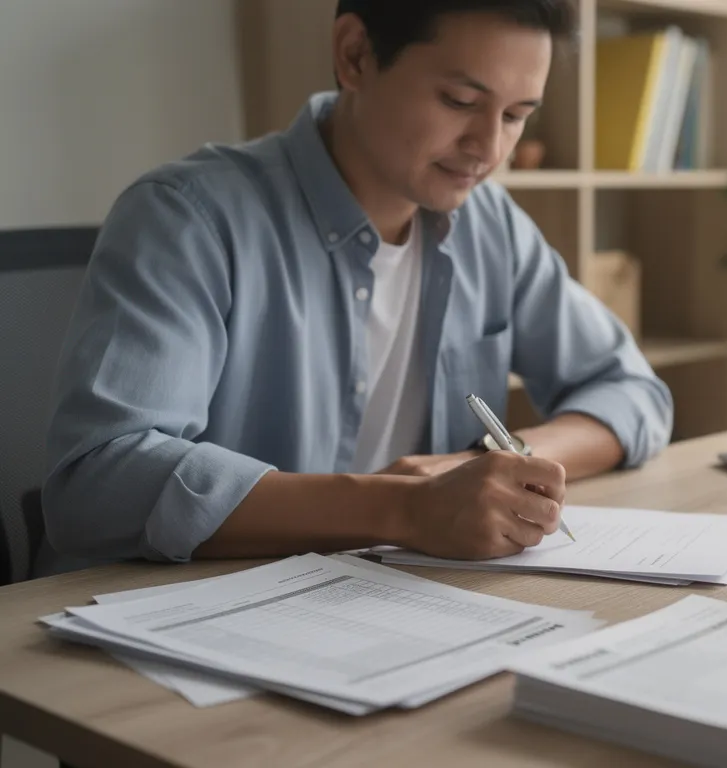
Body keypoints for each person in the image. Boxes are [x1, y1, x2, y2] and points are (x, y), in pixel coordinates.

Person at [35, 0, 672, 577]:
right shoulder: (188, 218)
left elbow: (634, 392)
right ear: (355, 56)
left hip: (382, 599)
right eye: (458, 101)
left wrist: (508, 465)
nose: (488, 148)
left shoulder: (492, 225)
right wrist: (403, 509)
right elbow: (97, 482)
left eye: (515, 116)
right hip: (167, 616)